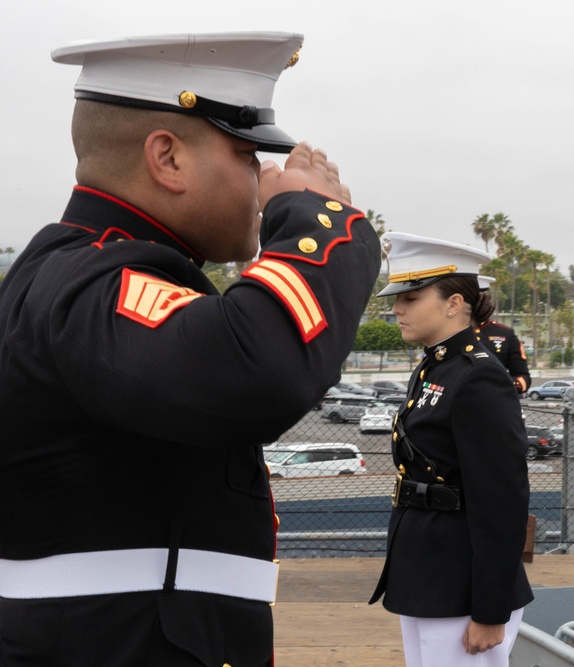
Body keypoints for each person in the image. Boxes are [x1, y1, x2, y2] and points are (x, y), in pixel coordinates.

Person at [0, 32, 381, 666]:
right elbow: (257, 367)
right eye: (245, 152)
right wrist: (316, 220)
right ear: (168, 159)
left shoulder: (86, 271)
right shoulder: (92, 283)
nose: (264, 174)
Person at [369, 232, 533, 666]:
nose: (397, 308)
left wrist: (490, 609)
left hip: (464, 585)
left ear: (454, 303)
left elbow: (501, 499)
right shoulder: (435, 366)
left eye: (411, 297)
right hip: (427, 571)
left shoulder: (479, 377)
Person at [475, 277, 532, 394]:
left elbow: (524, 379)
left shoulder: (505, 334)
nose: (480, 305)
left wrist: (498, 384)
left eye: (484, 300)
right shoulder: (449, 332)